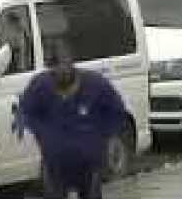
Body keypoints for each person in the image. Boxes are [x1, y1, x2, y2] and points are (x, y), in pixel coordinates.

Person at [18, 43, 128, 199]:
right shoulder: (40, 85)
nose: (61, 70)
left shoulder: (96, 84)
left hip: (89, 163)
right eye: (56, 67)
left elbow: (117, 111)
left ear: (72, 65)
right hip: (55, 163)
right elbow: (26, 111)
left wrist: (106, 137)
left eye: (65, 65)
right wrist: (43, 135)